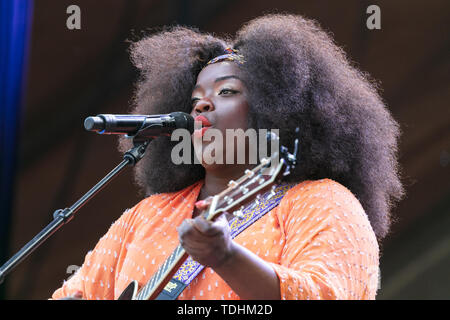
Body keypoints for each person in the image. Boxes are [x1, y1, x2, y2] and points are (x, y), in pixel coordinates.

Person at [51, 14, 404, 300]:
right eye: (194, 100)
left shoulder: (322, 202)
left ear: (277, 109)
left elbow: (324, 295)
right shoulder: (146, 217)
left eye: (227, 91)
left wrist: (226, 257)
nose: (202, 105)